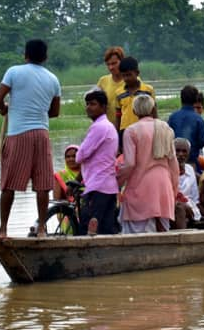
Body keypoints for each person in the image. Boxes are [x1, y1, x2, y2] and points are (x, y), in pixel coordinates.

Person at [0, 39, 61, 238]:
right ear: (45, 57)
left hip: (18, 134)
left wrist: (5, 109)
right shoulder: (53, 79)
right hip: (41, 133)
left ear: (25, 55)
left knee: (8, 183)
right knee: (43, 183)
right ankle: (41, 229)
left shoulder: (13, 72)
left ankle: (4, 229)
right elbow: (55, 112)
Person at [117, 94, 179, 234]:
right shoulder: (166, 129)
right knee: (162, 231)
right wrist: (174, 190)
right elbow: (173, 165)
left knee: (137, 232)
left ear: (134, 111)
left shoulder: (131, 131)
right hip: (164, 186)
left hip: (140, 187)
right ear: (153, 108)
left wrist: (117, 182)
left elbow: (129, 164)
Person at [75, 89, 120, 235]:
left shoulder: (99, 127)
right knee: (106, 229)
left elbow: (80, 155)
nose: (88, 107)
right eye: (87, 104)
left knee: (87, 229)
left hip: (98, 185)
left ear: (103, 107)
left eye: (93, 104)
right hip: (107, 185)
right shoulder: (109, 126)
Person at [115, 56, 155, 144]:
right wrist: (117, 138)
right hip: (125, 131)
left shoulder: (148, 90)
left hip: (144, 130)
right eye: (124, 76)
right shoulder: (119, 93)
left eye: (129, 75)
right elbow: (118, 116)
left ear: (137, 73)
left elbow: (154, 113)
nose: (126, 79)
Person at [167, 85, 204, 170]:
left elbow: (168, 138)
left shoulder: (172, 117)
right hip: (191, 160)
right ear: (195, 99)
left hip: (174, 161)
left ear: (181, 99)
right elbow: (202, 141)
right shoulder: (198, 119)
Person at [173, 138, 202, 229]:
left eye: (184, 151)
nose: (181, 154)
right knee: (180, 209)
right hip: (172, 207)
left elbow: (195, 198)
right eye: (177, 151)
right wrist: (183, 205)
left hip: (191, 209)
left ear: (188, 154)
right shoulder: (165, 170)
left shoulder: (189, 169)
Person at [96, 46, 126, 129]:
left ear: (122, 61)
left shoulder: (132, 81)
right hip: (108, 129)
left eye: (114, 63)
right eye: (108, 64)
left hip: (127, 129)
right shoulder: (103, 81)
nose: (111, 67)